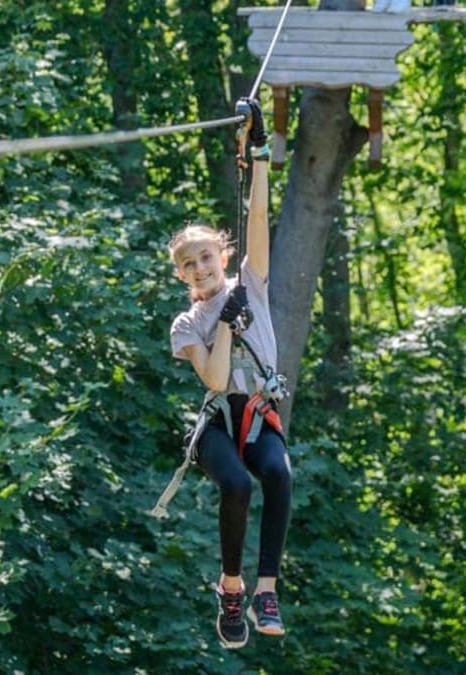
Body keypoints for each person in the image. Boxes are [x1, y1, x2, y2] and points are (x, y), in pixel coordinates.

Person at [167, 98, 293, 650]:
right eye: (188, 263)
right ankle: (232, 586)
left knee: (280, 475)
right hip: (220, 423)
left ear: (223, 254)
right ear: (181, 275)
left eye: (205, 257)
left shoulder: (253, 283)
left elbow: (259, 217)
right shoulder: (188, 322)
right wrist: (225, 324)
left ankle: (267, 588)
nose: (200, 267)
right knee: (238, 483)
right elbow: (216, 382)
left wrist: (259, 154)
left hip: (259, 414)